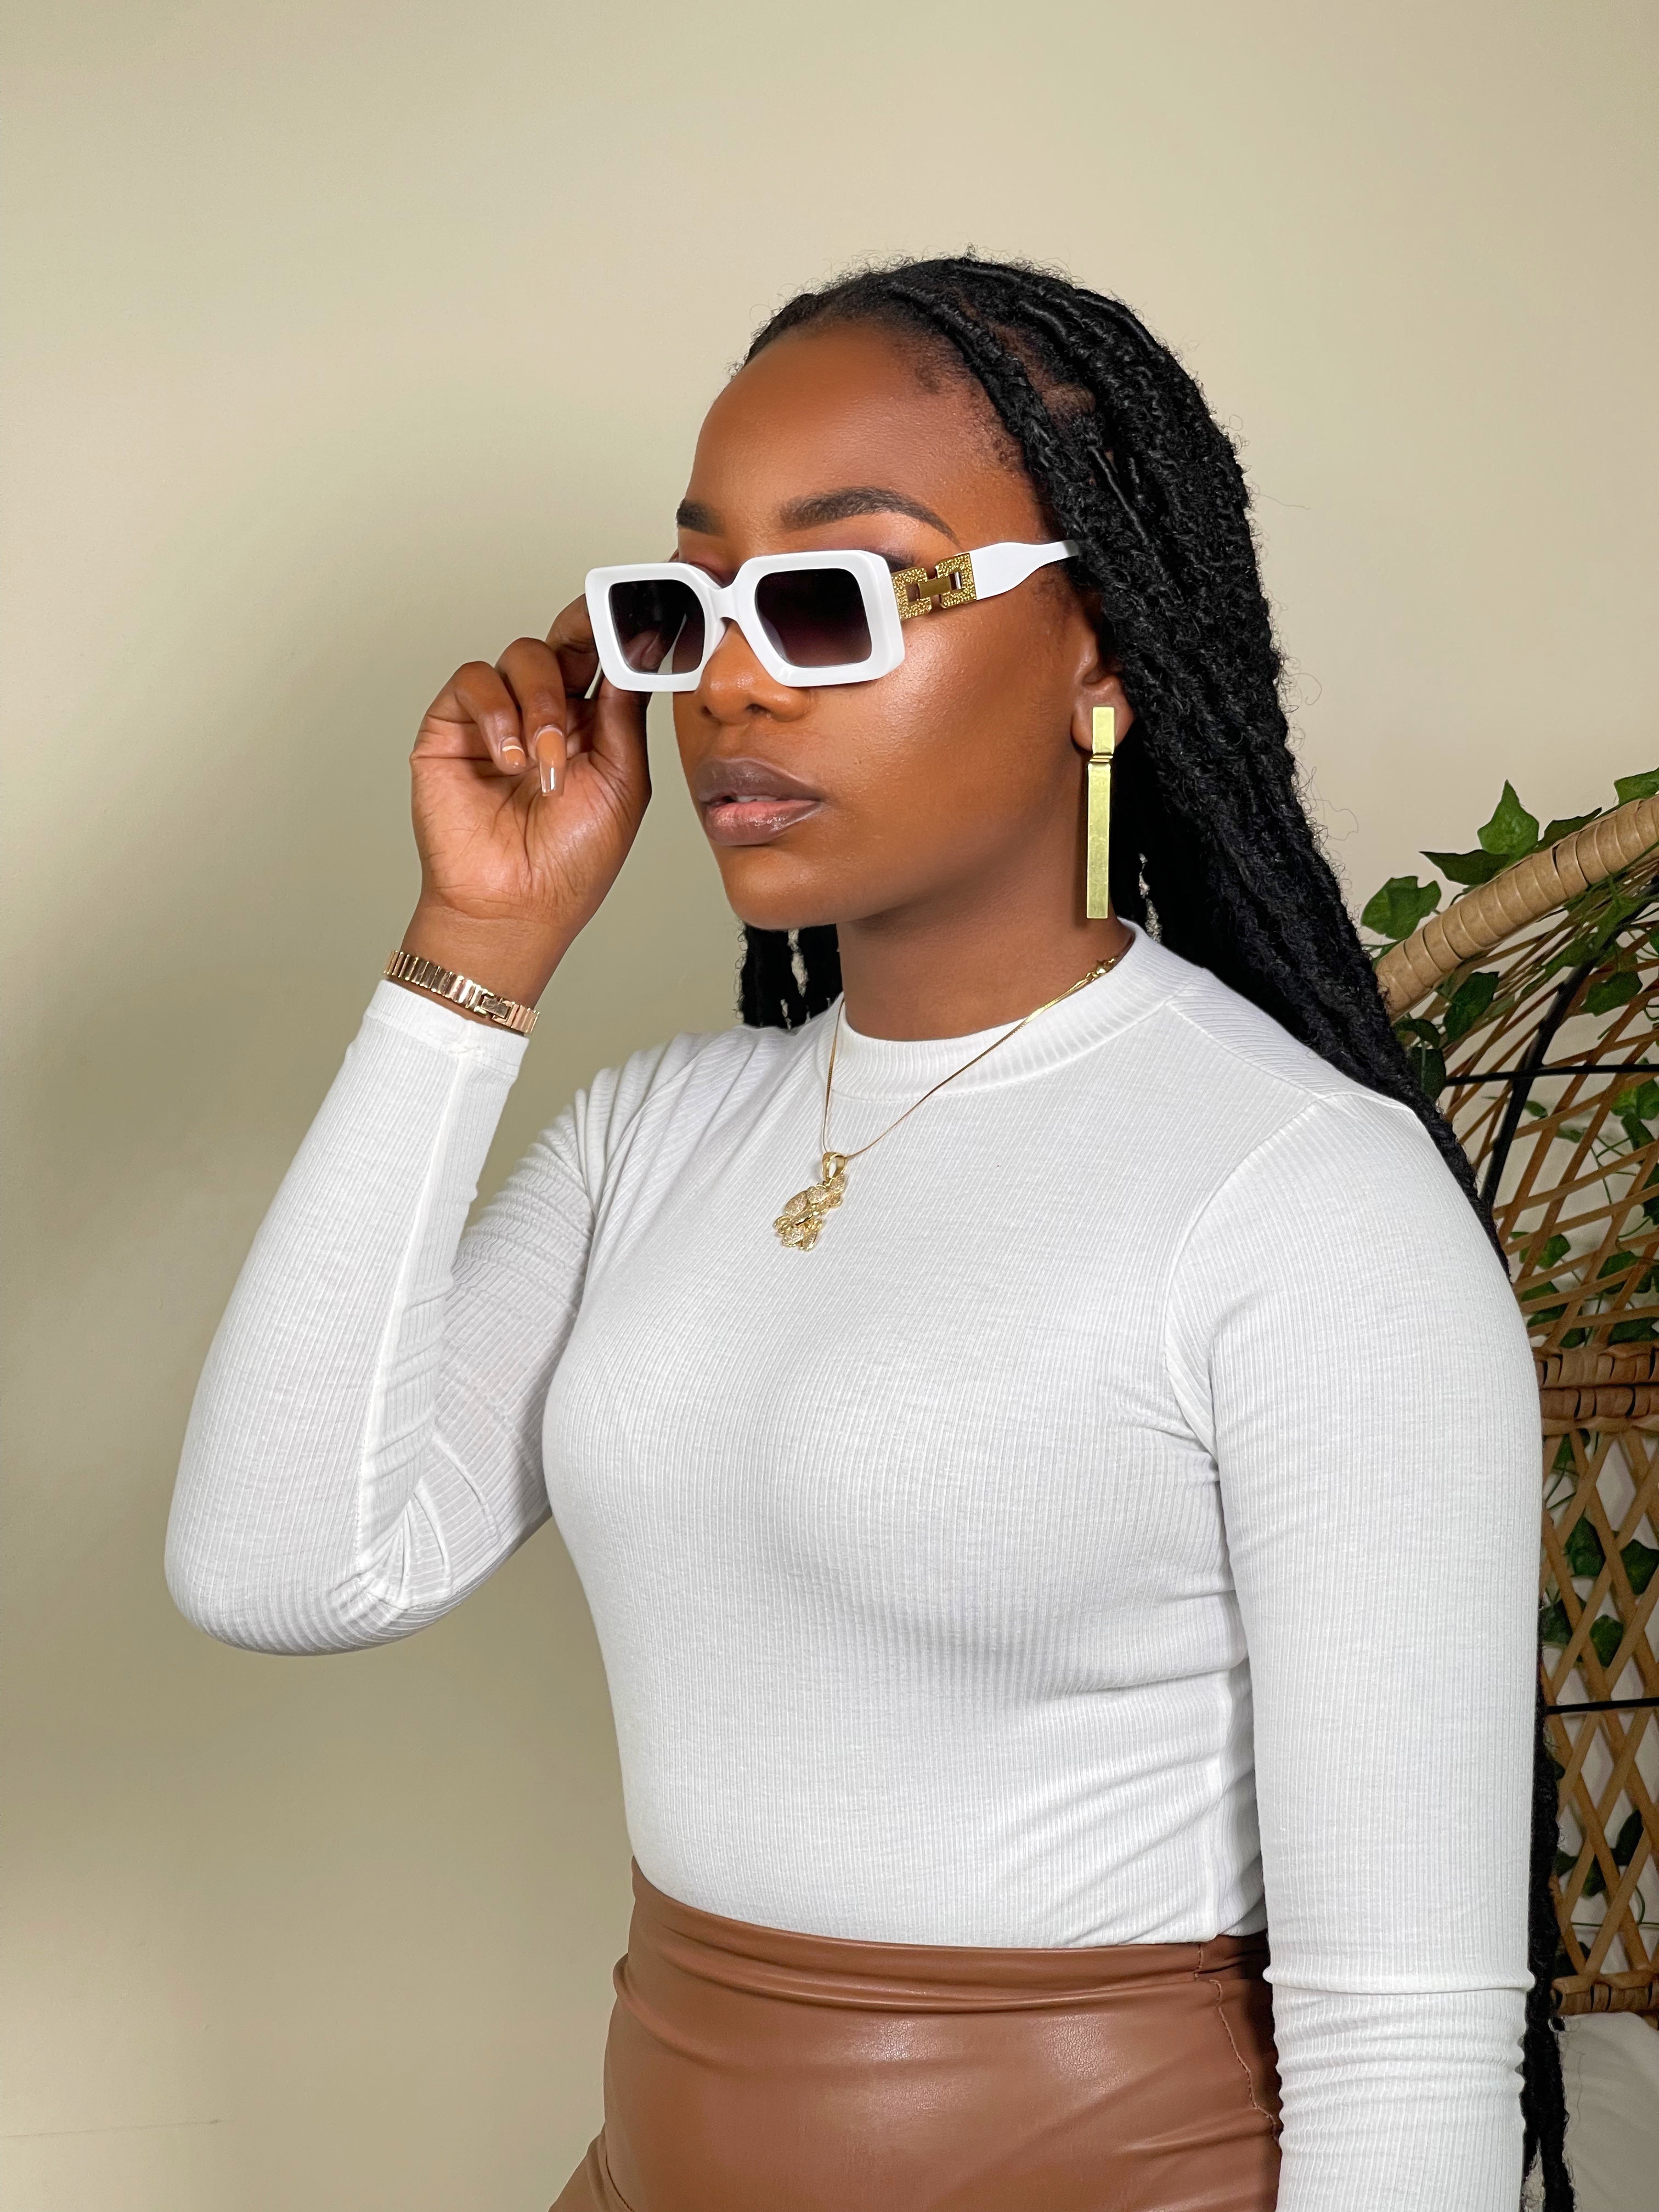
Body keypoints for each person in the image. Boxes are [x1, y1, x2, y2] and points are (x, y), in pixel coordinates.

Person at [165, 256, 1568, 2212]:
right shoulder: (659, 1134)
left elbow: (1407, 2049)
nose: (735, 684)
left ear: (1099, 646)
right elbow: (283, 1563)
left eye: (834, 597)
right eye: (689, 607)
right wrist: (474, 949)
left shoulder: (1302, 1200)